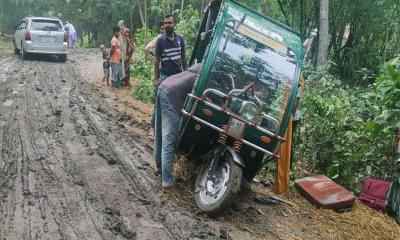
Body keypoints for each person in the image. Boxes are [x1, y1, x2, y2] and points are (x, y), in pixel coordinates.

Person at [154, 63, 202, 192]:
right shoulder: (209, 75)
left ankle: (159, 167)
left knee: (159, 133)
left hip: (164, 87)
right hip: (172, 97)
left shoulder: (201, 66)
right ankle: (167, 183)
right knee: (169, 140)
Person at [155, 15, 187, 84]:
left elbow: (183, 57)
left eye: (169, 23)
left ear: (174, 24)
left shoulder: (180, 39)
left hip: (178, 75)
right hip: (165, 76)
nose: (167, 25)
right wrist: (156, 79)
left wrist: (186, 73)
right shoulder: (160, 40)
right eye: (165, 23)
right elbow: (157, 61)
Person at [146, 21, 166, 138]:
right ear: (160, 29)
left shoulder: (171, 39)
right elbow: (147, 48)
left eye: (165, 28)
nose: (164, 30)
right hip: (160, 74)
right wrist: (156, 55)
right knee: (157, 103)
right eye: (162, 28)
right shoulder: (158, 39)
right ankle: (152, 128)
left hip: (169, 75)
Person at [110, 26, 121, 91]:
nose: (118, 33)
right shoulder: (114, 39)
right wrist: (110, 56)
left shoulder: (117, 39)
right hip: (114, 59)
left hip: (117, 59)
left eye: (119, 31)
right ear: (114, 32)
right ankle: (113, 87)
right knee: (114, 73)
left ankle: (115, 86)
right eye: (117, 32)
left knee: (117, 72)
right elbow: (112, 49)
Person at [117, 20, 127, 87]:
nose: (122, 27)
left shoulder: (123, 35)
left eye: (123, 25)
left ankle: (120, 82)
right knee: (119, 69)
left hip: (123, 55)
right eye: (121, 25)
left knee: (121, 69)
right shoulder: (118, 35)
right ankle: (118, 84)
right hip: (119, 55)